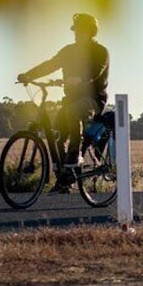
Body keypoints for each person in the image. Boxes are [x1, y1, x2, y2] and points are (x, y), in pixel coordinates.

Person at [17, 13, 110, 192]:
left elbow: (95, 72)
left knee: (72, 112)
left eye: (81, 30)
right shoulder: (68, 51)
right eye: (75, 30)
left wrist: (80, 79)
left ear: (91, 32)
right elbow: (50, 64)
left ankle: (74, 159)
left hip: (93, 99)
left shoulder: (100, 51)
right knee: (58, 135)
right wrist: (29, 75)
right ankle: (65, 180)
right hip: (71, 100)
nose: (77, 34)